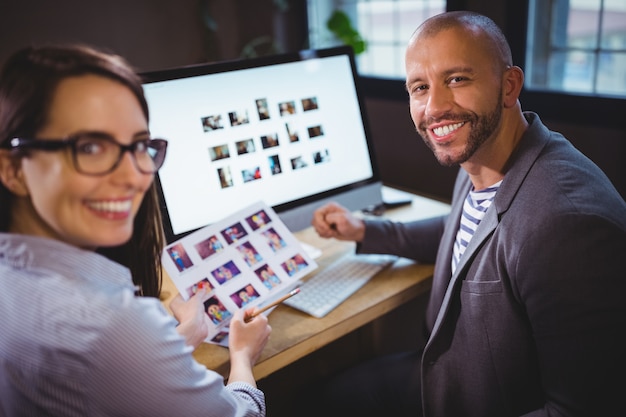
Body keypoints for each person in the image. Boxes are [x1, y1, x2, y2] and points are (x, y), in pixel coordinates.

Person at [308, 11, 626, 417]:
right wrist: (365, 231)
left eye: (457, 79)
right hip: (448, 374)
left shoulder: (568, 224)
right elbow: (465, 233)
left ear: (509, 85)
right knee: (326, 397)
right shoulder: (484, 157)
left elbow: (582, 409)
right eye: (420, 87)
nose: (435, 107)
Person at [0, 44, 271, 416]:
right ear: (13, 169)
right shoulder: (108, 324)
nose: (134, 177)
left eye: (140, 146)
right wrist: (242, 357)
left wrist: (183, 335)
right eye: (91, 146)